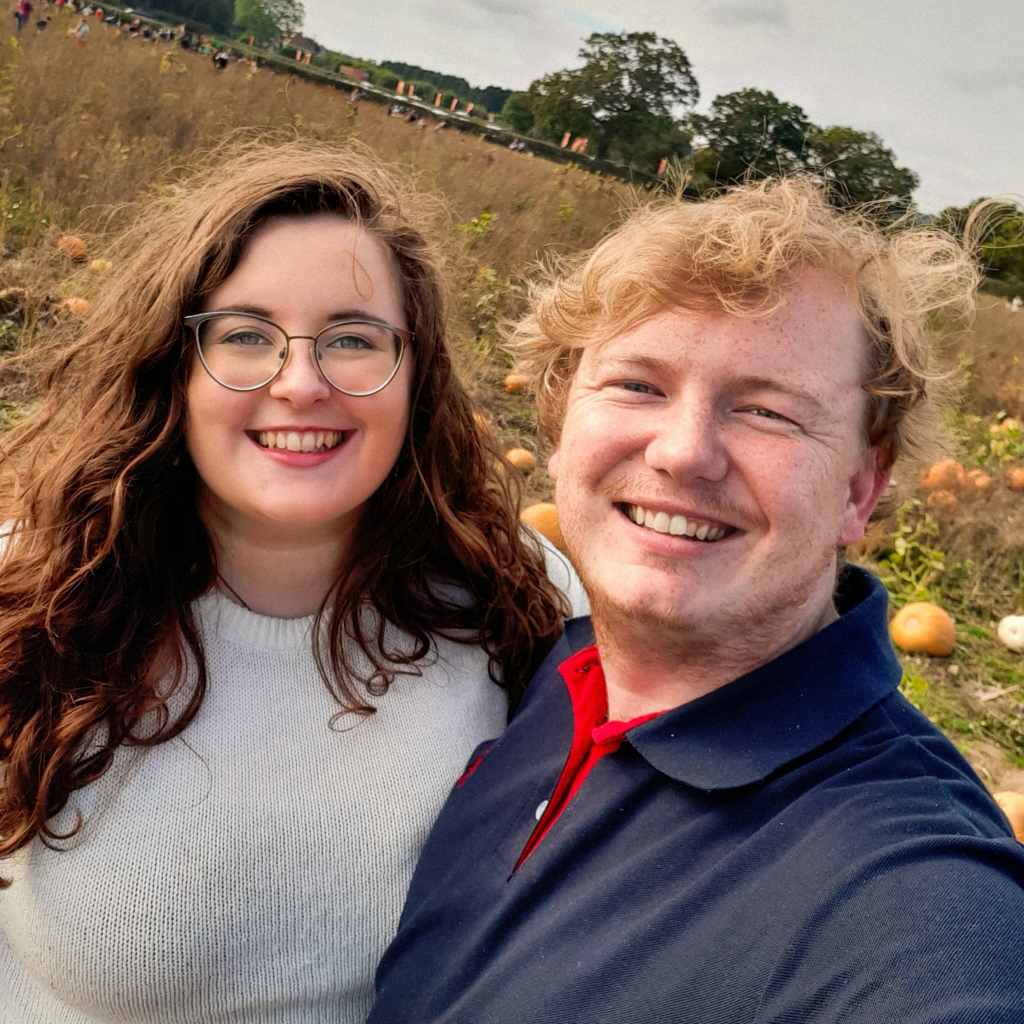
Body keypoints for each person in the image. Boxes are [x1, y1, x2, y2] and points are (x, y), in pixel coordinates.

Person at [371, 179, 1024, 1023]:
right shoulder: (546, 669)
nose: (683, 453)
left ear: (862, 488)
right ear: (560, 419)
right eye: (638, 386)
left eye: (767, 410)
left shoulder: (913, 902)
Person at [0, 141, 585, 1022]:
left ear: (415, 373)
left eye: (353, 338)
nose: (300, 382)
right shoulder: (30, 588)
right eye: (244, 335)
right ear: (173, 367)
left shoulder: (524, 596)